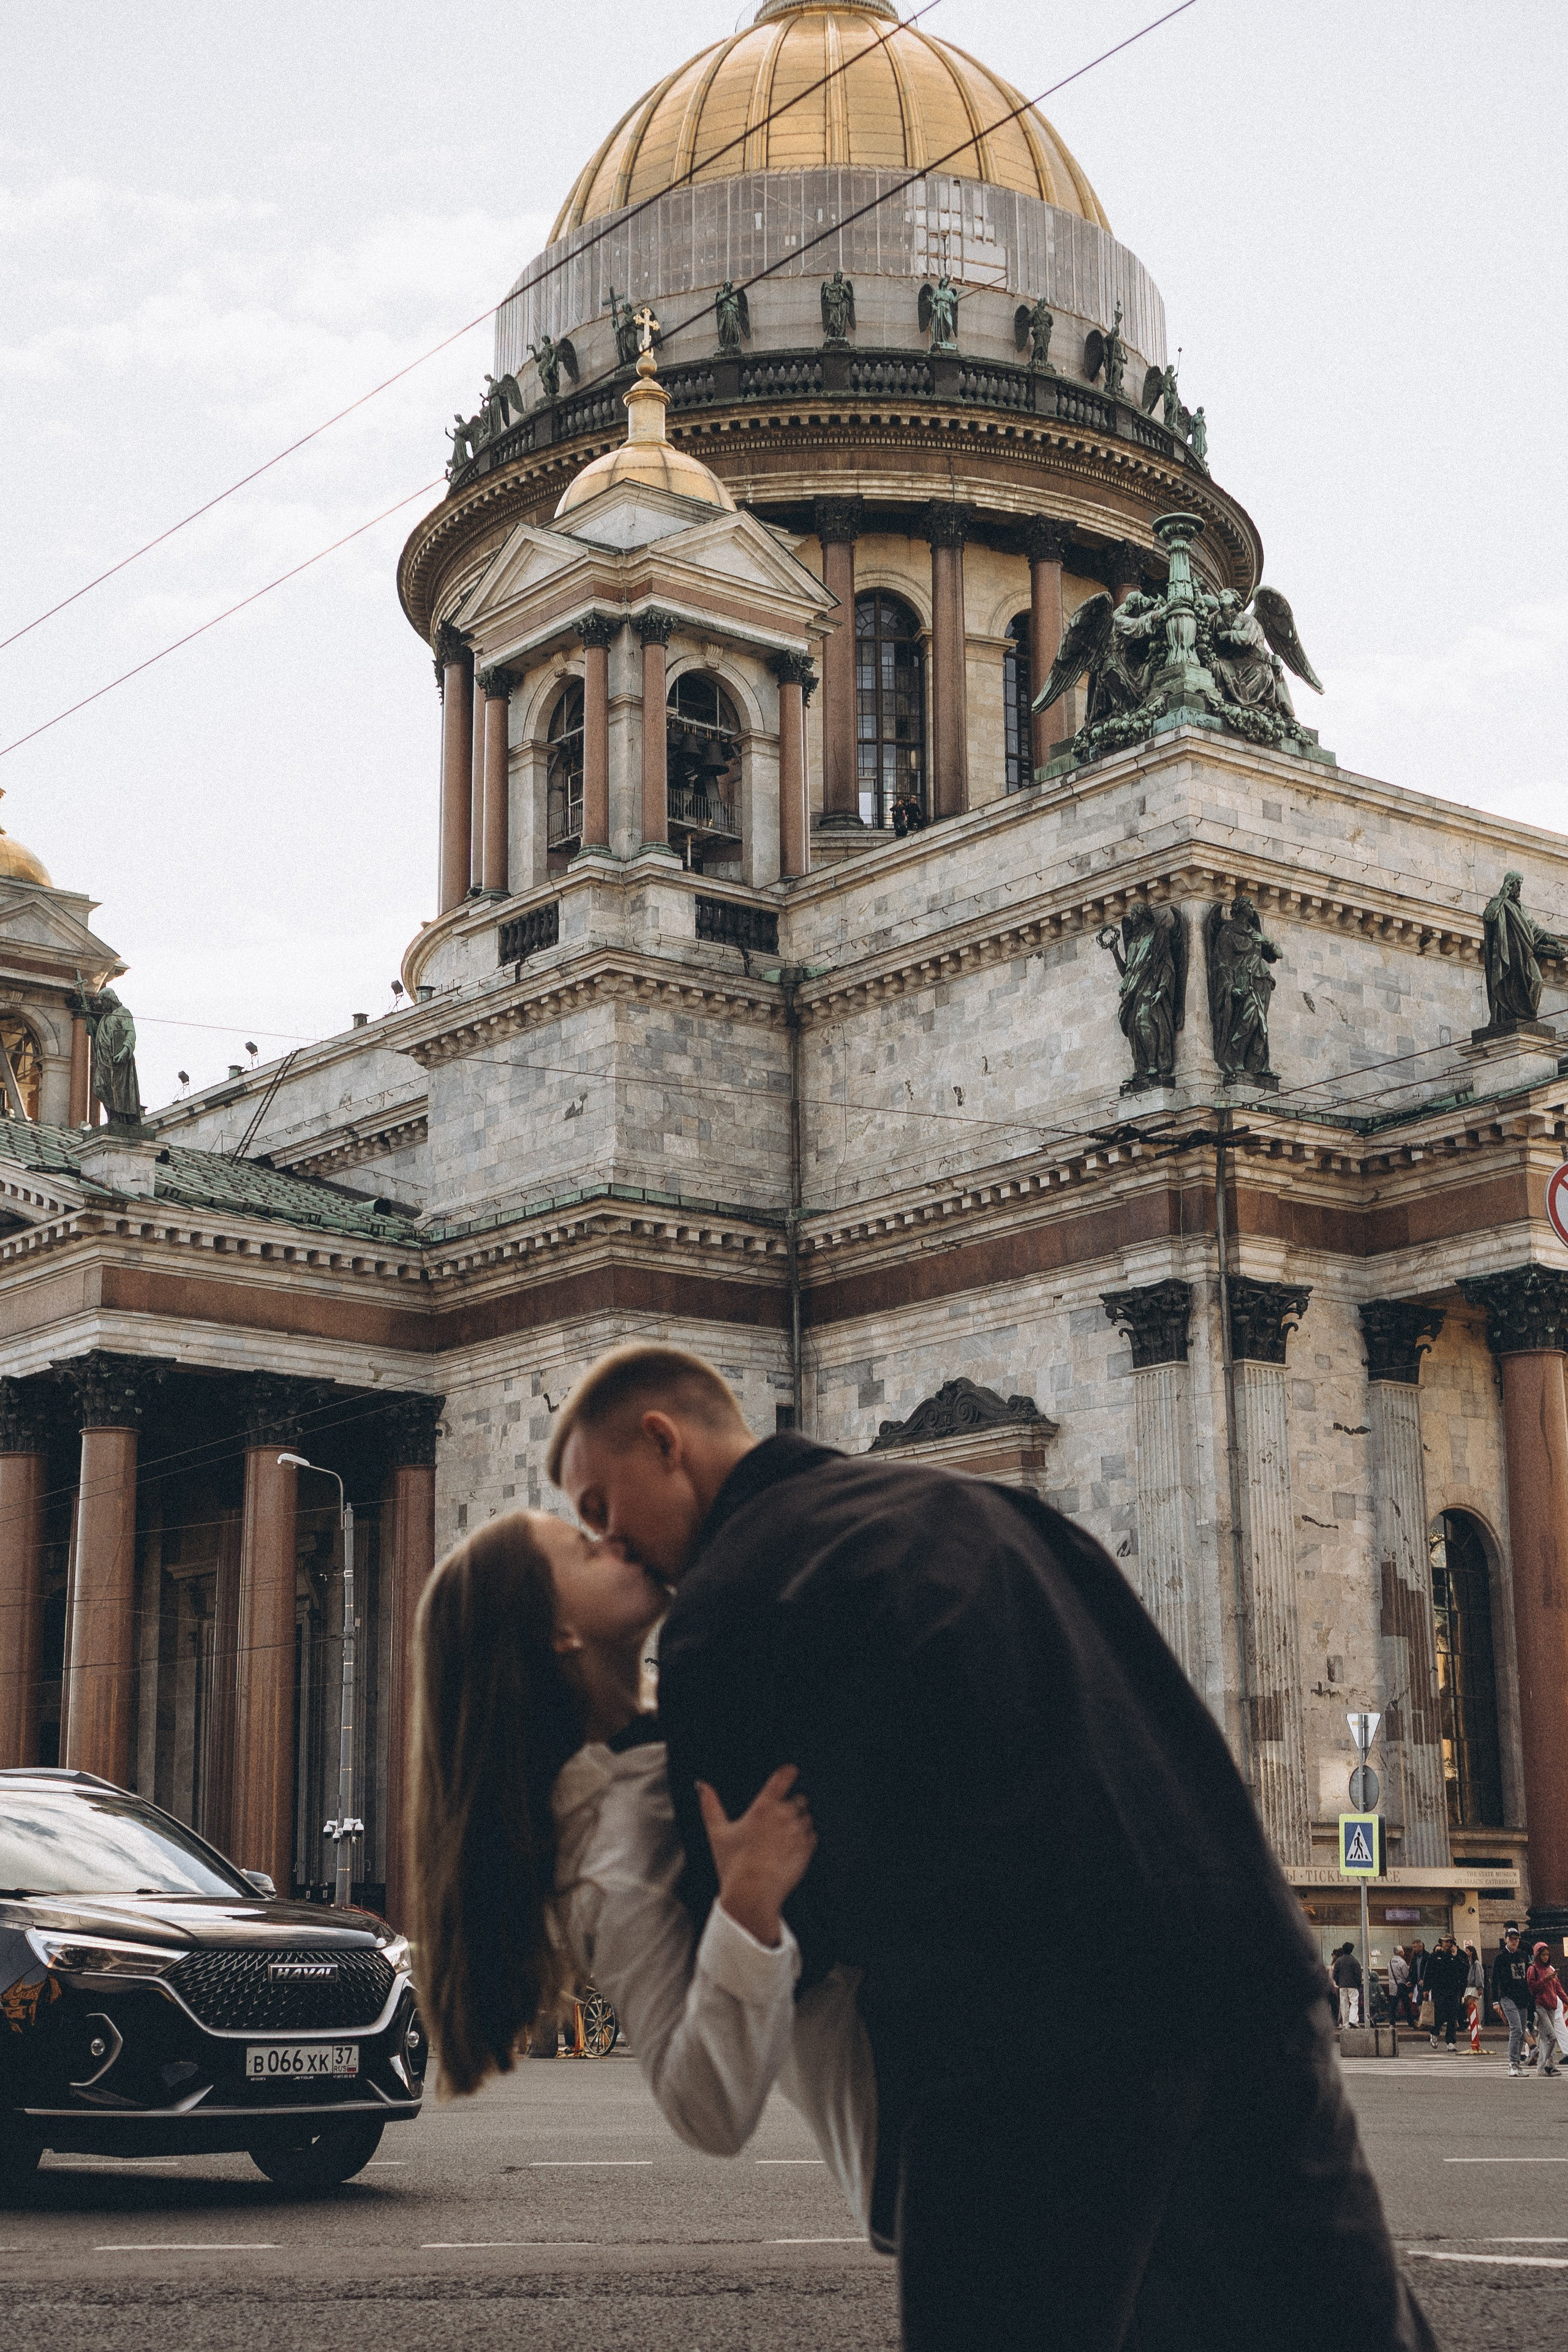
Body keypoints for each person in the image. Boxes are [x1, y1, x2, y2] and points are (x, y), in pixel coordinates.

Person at [550, 1342, 1438, 2352]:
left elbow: (792, 1939)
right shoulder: (1002, 1515)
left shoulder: (728, 1608)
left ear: (664, 1442)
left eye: (597, 1505)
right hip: (1252, 1991)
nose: (611, 1540)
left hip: (1031, 2069)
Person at [405, 1510, 875, 2226]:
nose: (617, 1540)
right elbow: (708, 2110)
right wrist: (748, 1901)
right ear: (559, 1635)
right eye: (588, 1550)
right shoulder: (608, 1856)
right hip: (917, 2141)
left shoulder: (691, 1699)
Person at [1491, 1923, 1532, 2076]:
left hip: (1522, 1997)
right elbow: (1495, 1980)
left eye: (1516, 1939)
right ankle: (1513, 2063)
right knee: (1516, 2029)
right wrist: (1495, 2001)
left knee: (1522, 2031)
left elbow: (1527, 1976)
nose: (1514, 1941)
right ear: (1506, 1939)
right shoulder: (1501, 1957)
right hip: (1508, 1997)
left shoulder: (1522, 1955)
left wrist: (1530, 1998)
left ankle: (1517, 2064)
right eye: (1511, 1938)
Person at [1527, 1943, 1568, 2076]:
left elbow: (1559, 1989)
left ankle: (1545, 2066)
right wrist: (1545, 1980)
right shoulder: (1533, 1969)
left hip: (1551, 2006)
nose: (1545, 1957)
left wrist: (1566, 2000)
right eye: (1543, 1955)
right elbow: (1532, 1987)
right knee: (1551, 2037)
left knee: (1546, 2039)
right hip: (1540, 2006)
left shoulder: (1550, 1970)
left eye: (1547, 1955)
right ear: (1537, 1955)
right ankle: (1546, 2065)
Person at [1427, 1937, 1465, 2053]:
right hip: (1439, 1990)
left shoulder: (1456, 1956)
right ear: (1441, 1943)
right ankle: (1435, 2031)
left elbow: (1463, 1970)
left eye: (1450, 1942)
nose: (1448, 1944)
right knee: (1440, 2014)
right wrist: (1426, 1988)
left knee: (1453, 2016)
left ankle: (1451, 2041)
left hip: (1453, 1990)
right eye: (1446, 1942)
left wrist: (1456, 1956)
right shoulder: (1435, 1956)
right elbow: (1428, 1972)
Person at [1332, 1943, 1364, 2029]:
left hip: (1342, 1985)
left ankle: (1345, 2023)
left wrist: (1338, 1983)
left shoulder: (1339, 1961)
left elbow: (1335, 1974)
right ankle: (1353, 2020)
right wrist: (1358, 1984)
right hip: (1353, 1985)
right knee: (1354, 2003)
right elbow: (1358, 1975)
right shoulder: (1355, 1961)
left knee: (1344, 2004)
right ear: (1351, 1950)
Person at [1463, 1943, 1486, 2054]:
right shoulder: (1471, 1963)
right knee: (1469, 2004)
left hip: (1474, 1986)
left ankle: (1477, 2023)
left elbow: (1479, 1975)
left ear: (1471, 1952)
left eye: (1467, 1951)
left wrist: (1480, 1987)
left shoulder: (1476, 1964)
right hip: (1470, 1986)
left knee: (1472, 2004)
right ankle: (1473, 2022)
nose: (1466, 1953)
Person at [1388, 1944, 1415, 2028]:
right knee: (1406, 2005)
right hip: (1402, 1986)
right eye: (1403, 1951)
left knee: (1393, 2006)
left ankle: (1392, 2022)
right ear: (1400, 1953)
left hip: (1393, 1986)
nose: (1404, 1952)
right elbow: (1406, 1975)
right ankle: (1410, 2022)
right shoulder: (1402, 1962)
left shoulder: (1390, 1962)